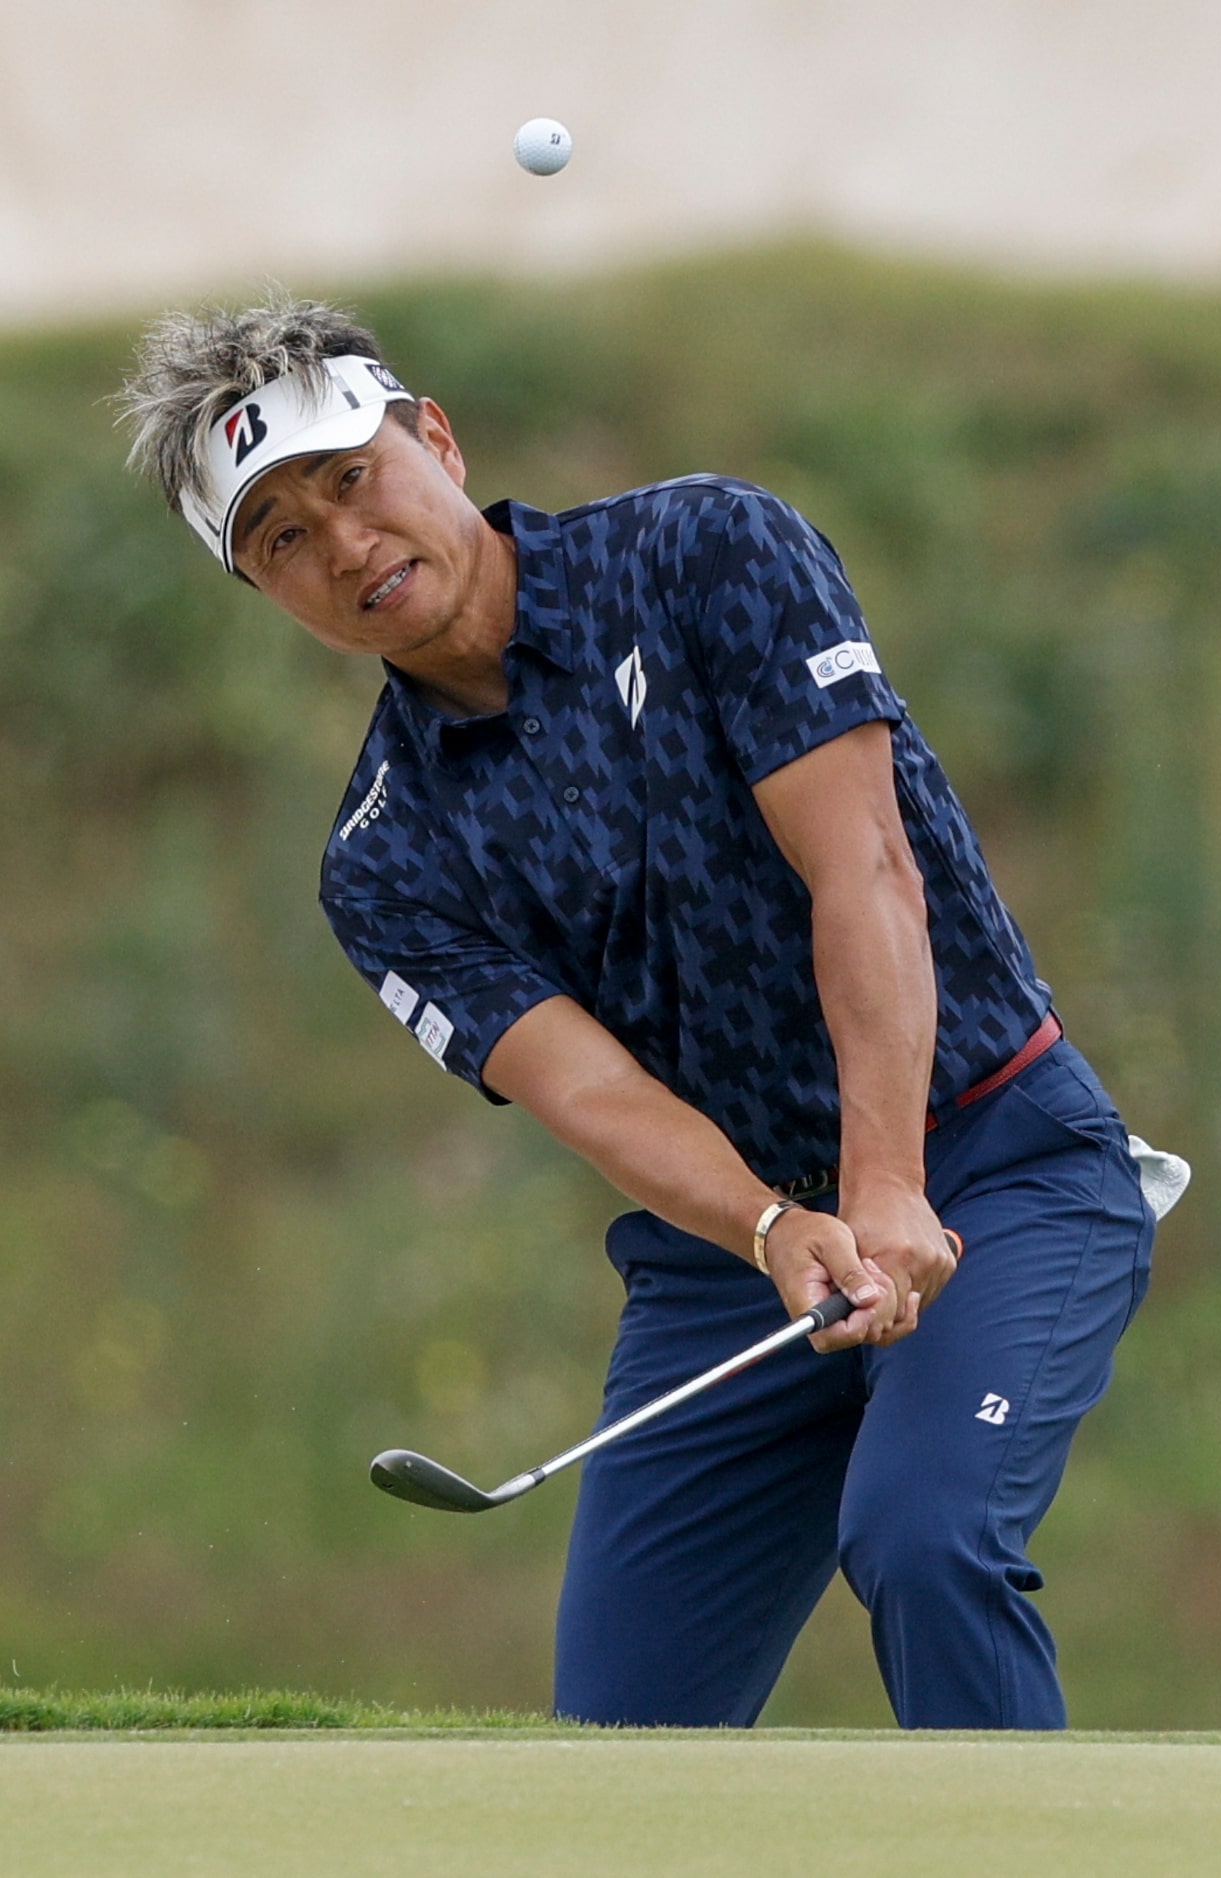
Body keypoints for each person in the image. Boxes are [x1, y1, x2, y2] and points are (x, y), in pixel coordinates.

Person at [119, 289, 1156, 1730]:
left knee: (924, 1541)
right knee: (620, 1730)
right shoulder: (382, 859)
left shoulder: (704, 550)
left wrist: (885, 1181)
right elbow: (593, 1094)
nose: (344, 545)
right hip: (730, 1258)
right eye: (282, 536)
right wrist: (772, 1228)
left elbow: (862, 871)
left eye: (352, 480)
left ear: (436, 437)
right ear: (264, 592)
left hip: (991, 1158)